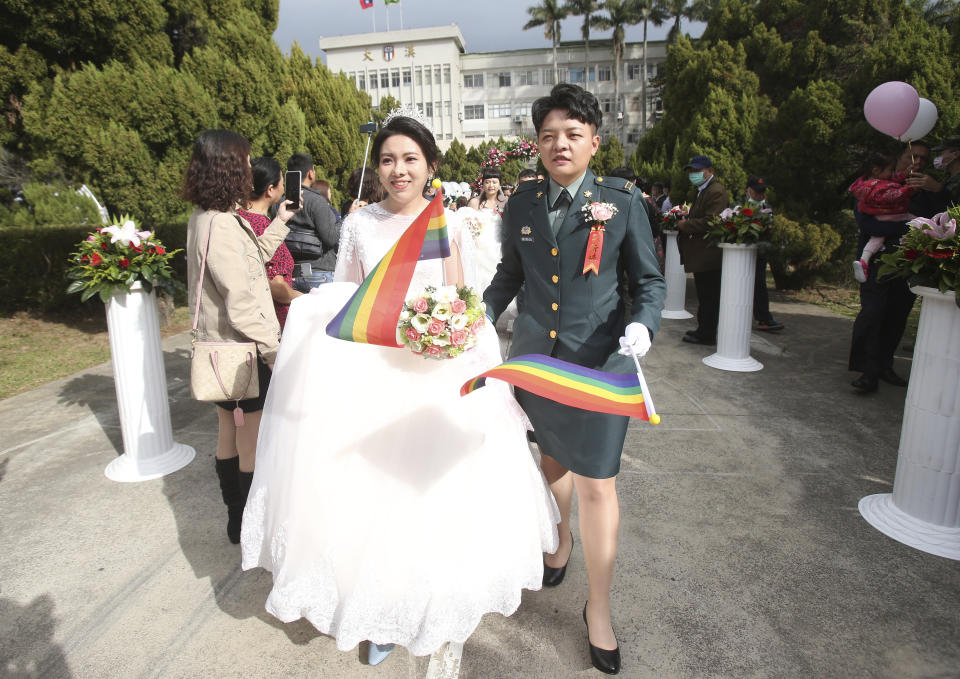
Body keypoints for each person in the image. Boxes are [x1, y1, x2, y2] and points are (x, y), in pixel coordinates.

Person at [241, 114, 559, 666]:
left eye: (410, 159)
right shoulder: (360, 225)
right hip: (375, 378)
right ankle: (380, 610)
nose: (398, 169)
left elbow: (464, 300)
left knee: (433, 494)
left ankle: (437, 594)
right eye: (388, 159)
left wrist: (464, 345)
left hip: (438, 376)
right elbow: (344, 300)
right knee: (374, 500)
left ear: (430, 166)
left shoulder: (450, 223)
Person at [484, 83, 665, 676]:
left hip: (602, 365)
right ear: (536, 144)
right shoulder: (522, 204)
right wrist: (474, 317)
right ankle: (558, 543)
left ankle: (600, 609)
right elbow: (510, 275)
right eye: (547, 135)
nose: (558, 144)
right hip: (539, 361)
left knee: (599, 483)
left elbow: (649, 283)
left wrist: (643, 326)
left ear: (593, 140)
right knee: (551, 465)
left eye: (571, 133)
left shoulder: (622, 201)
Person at [183, 130, 294, 544]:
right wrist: (273, 352)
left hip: (218, 353)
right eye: (244, 161)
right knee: (250, 443)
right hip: (241, 353)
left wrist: (279, 224)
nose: (250, 167)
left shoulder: (205, 218)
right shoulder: (223, 224)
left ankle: (236, 520)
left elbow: (249, 262)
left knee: (227, 432)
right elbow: (242, 300)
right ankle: (247, 526)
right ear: (229, 167)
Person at [848, 152, 917, 393]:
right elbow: (869, 224)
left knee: (896, 316)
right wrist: (909, 225)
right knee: (873, 312)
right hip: (877, 263)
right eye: (911, 156)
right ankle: (868, 370)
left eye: (922, 159)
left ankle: (883, 365)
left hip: (907, 264)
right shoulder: (870, 189)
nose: (915, 162)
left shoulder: (919, 187)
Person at [237, 157, 303, 331]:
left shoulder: (239, 219)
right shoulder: (260, 225)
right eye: (281, 182)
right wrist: (305, 297)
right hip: (275, 318)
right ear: (270, 189)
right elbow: (274, 285)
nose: (283, 187)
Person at [676, 155, 729, 345]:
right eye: (691, 171)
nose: (694, 174)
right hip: (702, 253)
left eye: (698, 171)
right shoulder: (703, 190)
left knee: (710, 296)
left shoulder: (716, 191)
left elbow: (711, 221)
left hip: (709, 253)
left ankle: (707, 333)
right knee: (705, 295)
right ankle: (703, 329)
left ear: (710, 171)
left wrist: (686, 225)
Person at [849, 153, 916, 283]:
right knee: (917, 222)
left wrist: (905, 174)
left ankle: (863, 261)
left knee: (876, 239)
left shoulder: (868, 184)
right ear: (876, 170)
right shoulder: (877, 188)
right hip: (892, 215)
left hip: (879, 218)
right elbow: (893, 195)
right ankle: (907, 244)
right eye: (890, 170)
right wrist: (909, 189)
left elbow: (893, 179)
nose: (892, 174)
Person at [283, 153, 341, 292]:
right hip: (319, 272)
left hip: (290, 275)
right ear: (311, 173)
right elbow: (331, 237)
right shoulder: (317, 201)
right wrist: (346, 219)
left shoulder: (279, 203)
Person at [744, 177, 783, 331]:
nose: (761, 195)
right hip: (742, 255)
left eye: (763, 191)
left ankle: (763, 318)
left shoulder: (767, 208)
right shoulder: (738, 207)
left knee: (760, 285)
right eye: (757, 191)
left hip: (759, 254)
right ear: (748, 191)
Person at [931, 136, 960, 204]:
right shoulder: (949, 179)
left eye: (940, 153)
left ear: (956, 154)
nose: (937, 157)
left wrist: (938, 189)